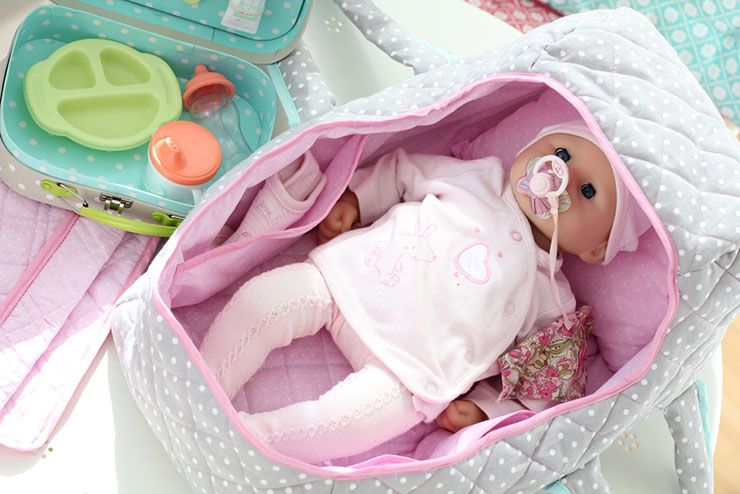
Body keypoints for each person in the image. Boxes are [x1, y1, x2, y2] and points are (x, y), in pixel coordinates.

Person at [200, 120, 636, 463]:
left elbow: (543, 383)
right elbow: (402, 172)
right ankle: (204, 386)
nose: (560, 177)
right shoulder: (478, 178)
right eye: (561, 153)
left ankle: (247, 440)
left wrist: (486, 408)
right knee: (262, 300)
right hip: (347, 280)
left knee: (354, 422)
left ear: (596, 250)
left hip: (411, 375)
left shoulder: (554, 300)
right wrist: (356, 200)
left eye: (587, 191)